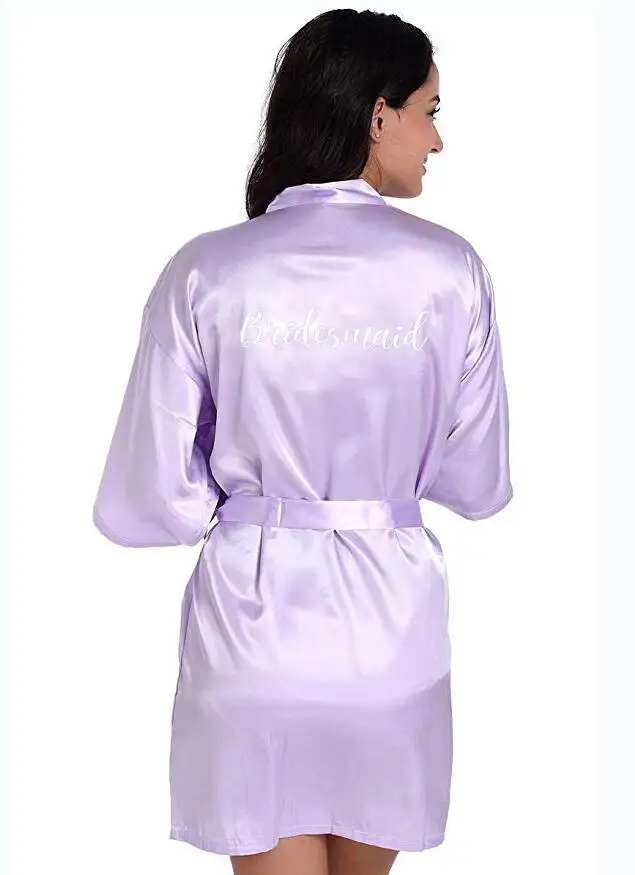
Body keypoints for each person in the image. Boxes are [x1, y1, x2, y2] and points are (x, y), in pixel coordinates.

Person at [92, 8, 513, 875]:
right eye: (430, 111)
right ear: (378, 114)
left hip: (253, 633)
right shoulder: (452, 271)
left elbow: (153, 500)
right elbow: (475, 480)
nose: (437, 140)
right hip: (390, 635)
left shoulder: (206, 270)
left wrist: (251, 489)